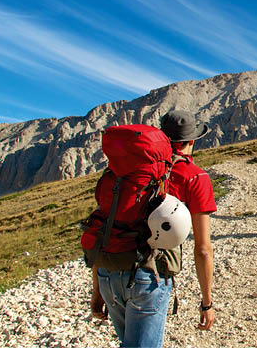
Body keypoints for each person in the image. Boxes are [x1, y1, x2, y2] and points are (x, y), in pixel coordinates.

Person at [90, 110, 216, 347]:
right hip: (148, 276)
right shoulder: (194, 176)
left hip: (108, 271)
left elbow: (103, 226)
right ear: (192, 141)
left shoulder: (125, 171)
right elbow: (203, 249)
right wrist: (207, 302)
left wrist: (97, 289)